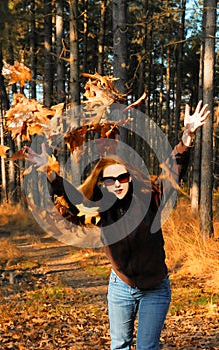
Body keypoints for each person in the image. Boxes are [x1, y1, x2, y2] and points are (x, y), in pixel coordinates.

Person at [25, 100, 210, 350]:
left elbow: (173, 170)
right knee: (120, 345)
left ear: (130, 176)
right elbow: (72, 200)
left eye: (122, 177)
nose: (118, 184)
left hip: (155, 287)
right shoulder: (100, 207)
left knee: (147, 347)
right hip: (120, 287)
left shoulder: (151, 196)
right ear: (103, 184)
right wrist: (51, 172)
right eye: (110, 180)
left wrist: (187, 135)